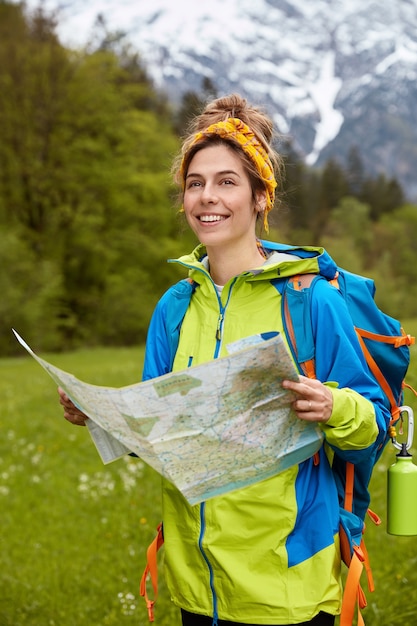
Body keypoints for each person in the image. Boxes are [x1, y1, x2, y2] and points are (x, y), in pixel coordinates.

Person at [59, 93, 390, 626]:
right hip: (196, 583)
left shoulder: (310, 299)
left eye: (227, 181)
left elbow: (374, 425)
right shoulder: (174, 307)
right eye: (195, 183)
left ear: (261, 197)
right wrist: (104, 418)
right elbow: (163, 435)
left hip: (288, 584)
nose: (206, 198)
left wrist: (333, 406)